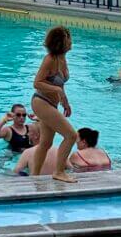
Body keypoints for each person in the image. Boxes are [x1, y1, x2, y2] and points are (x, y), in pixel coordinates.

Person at [28, 25, 79, 182]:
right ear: (61, 42)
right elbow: (37, 83)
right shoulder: (49, 59)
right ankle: (58, 172)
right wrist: (56, 90)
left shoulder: (62, 59)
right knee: (71, 135)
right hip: (41, 101)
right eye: (68, 39)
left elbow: (60, 84)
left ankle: (34, 177)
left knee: (46, 143)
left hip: (52, 103)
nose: (71, 41)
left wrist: (65, 102)